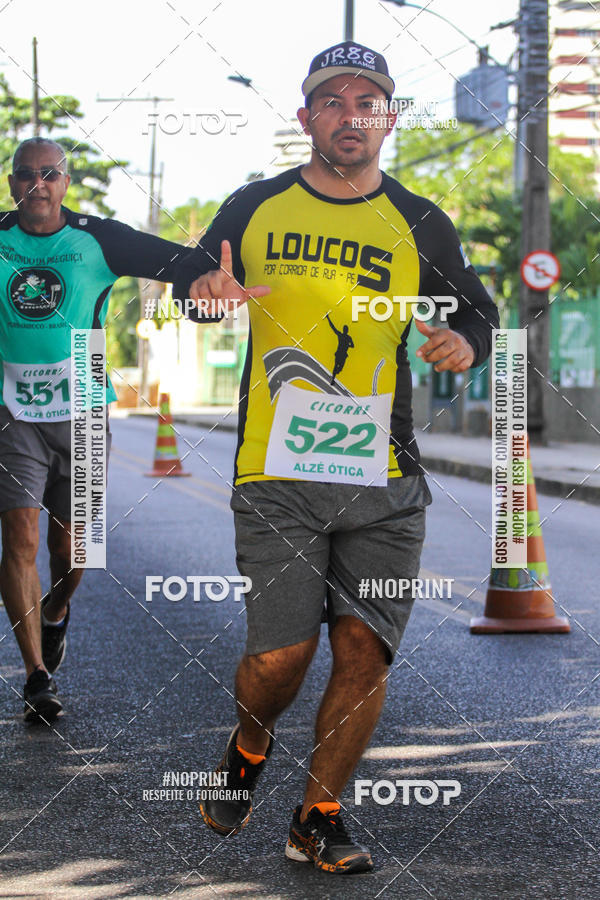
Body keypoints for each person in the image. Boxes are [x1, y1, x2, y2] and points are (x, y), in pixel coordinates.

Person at [174, 40, 499, 874]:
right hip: (275, 471)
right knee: (284, 657)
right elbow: (196, 289)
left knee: (364, 652)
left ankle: (318, 814)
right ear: (306, 116)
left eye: (368, 103)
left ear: (388, 119)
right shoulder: (255, 206)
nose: (351, 116)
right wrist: (201, 296)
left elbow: (477, 309)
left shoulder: (421, 220)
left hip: (384, 476)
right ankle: (250, 745)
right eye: (333, 101)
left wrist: (464, 341)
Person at [0, 137, 187, 723]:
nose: (38, 184)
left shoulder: (97, 238)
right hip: (10, 416)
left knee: (72, 548)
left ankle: (56, 613)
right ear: (11, 183)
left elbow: (179, 261)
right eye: (26, 174)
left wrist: (218, 278)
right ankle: (35, 675)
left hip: (81, 410)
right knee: (20, 542)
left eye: (49, 174)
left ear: (65, 182)